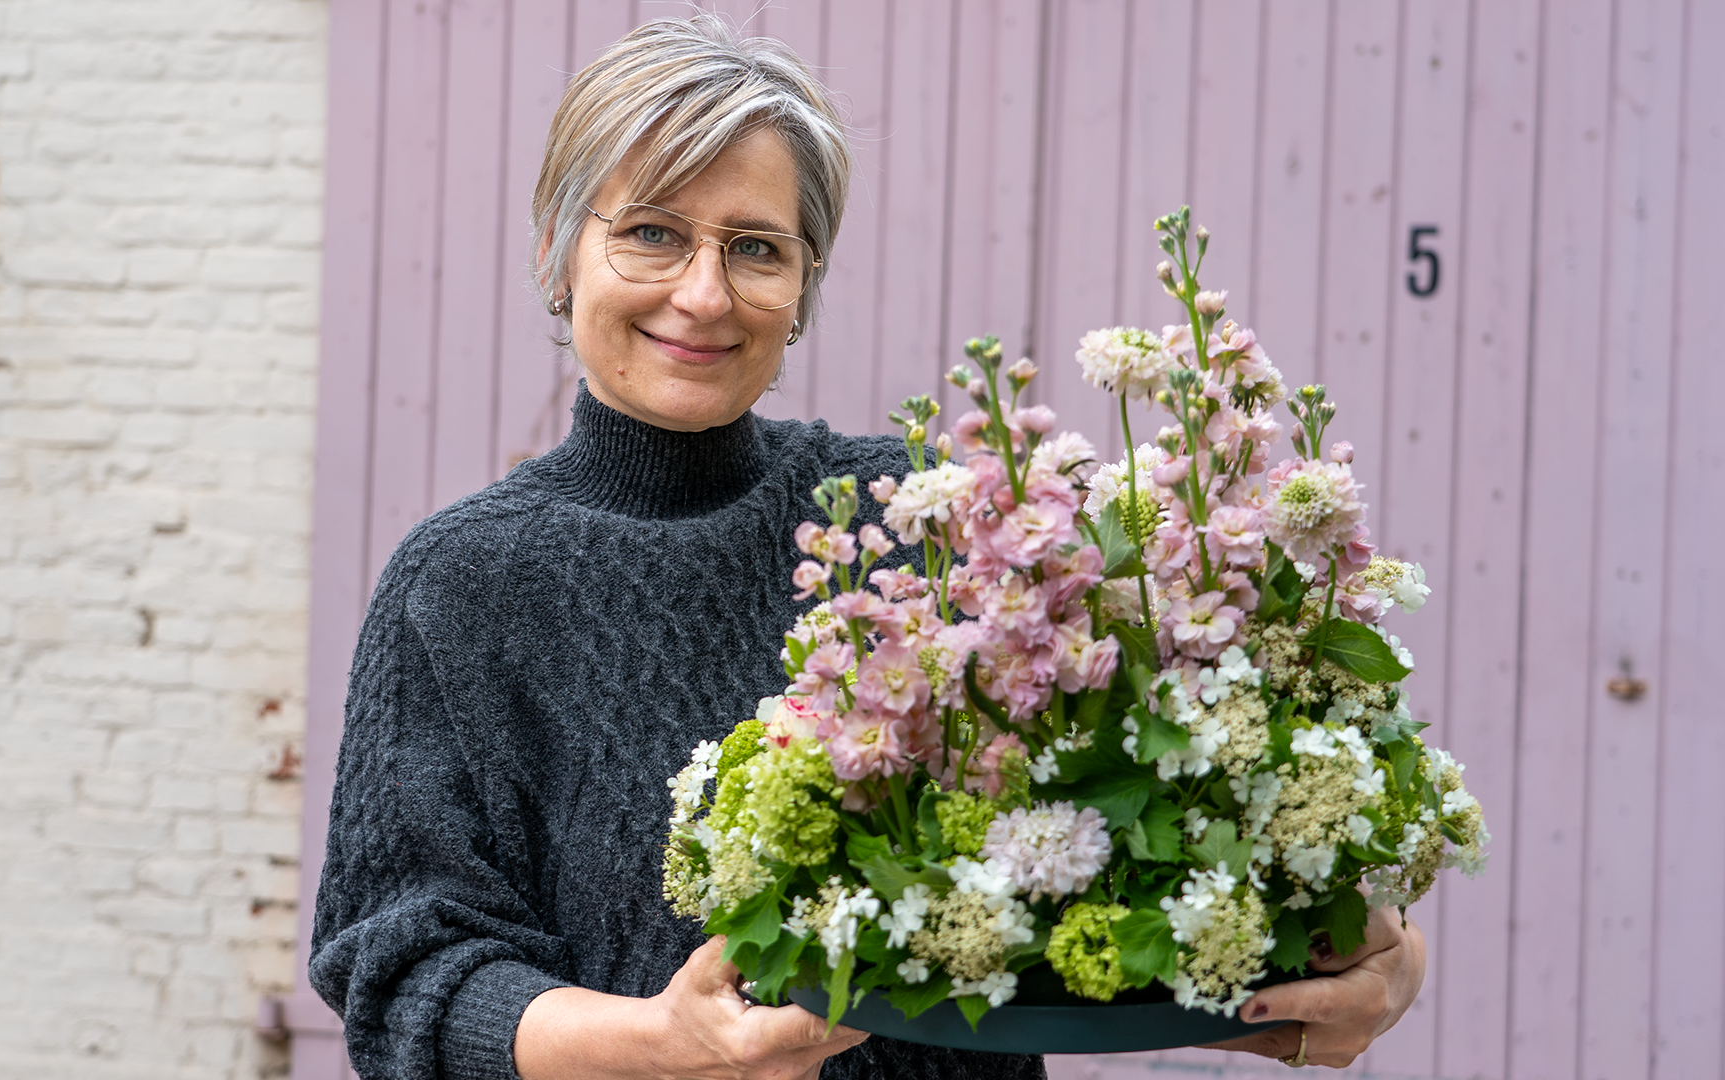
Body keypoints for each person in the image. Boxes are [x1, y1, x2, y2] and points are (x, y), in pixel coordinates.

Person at [309, 15, 1427, 1080]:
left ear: (801, 292)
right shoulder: (460, 584)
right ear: (560, 255)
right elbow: (403, 975)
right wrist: (663, 1041)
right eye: (652, 231)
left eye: (756, 248)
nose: (703, 293)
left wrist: (1343, 962)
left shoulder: (919, 520)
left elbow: (1105, 857)